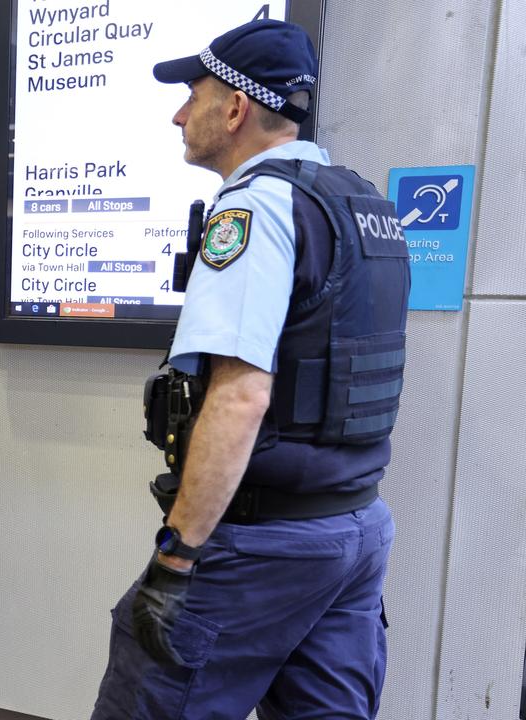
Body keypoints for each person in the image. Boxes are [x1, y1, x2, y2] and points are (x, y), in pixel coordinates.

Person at [91, 20, 409, 719]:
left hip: (263, 546)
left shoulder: (255, 209)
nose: (179, 113)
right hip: (353, 532)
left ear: (235, 108)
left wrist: (176, 558)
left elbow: (240, 399)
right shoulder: (362, 204)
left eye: (192, 93)